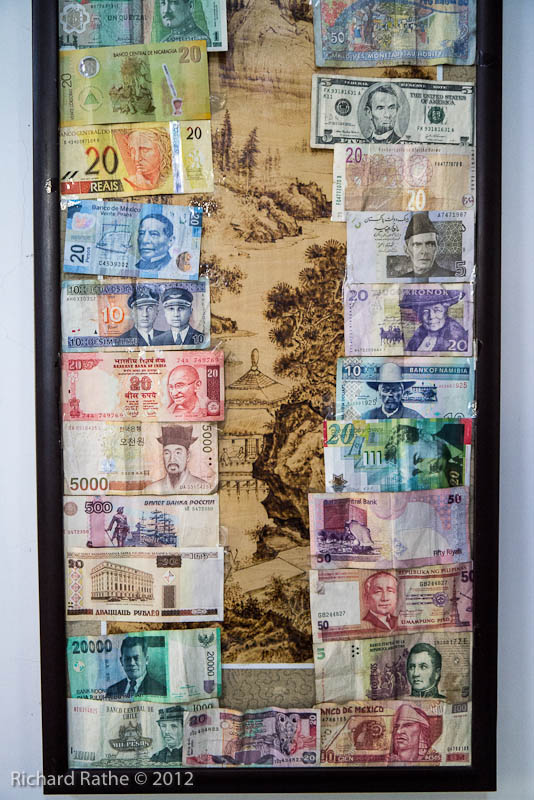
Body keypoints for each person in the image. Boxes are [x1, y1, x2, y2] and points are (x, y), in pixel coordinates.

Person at [399, 287, 468, 353]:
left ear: (445, 311)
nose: (431, 316)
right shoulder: (419, 333)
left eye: (437, 310)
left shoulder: (455, 334)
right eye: (425, 311)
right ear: (419, 314)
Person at [149, 424, 210, 492]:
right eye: (167, 453)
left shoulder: (203, 487)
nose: (172, 459)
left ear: (188, 456)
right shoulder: (152, 489)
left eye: (178, 453)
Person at [390, 213, 451, 280]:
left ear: (437, 247)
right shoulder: (400, 280)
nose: (424, 251)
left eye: (430, 244)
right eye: (416, 245)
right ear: (406, 250)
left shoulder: (451, 276)